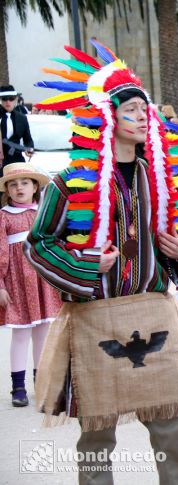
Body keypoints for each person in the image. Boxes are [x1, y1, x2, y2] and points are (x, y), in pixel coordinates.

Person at [26, 40, 178, 484]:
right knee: (97, 434)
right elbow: (38, 243)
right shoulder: (70, 183)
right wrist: (87, 265)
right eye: (130, 110)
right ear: (106, 117)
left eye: (144, 111)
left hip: (152, 308)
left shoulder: (161, 179)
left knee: (172, 427)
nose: (142, 117)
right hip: (95, 316)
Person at [0, 164, 61, 407]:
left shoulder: (43, 212)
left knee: (43, 334)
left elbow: (53, 243)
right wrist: (0, 285)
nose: (19, 188)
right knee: (21, 334)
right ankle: (18, 386)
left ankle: (42, 383)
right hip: (17, 283)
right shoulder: (3, 216)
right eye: (13, 184)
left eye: (25, 183)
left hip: (42, 280)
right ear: (7, 190)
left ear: (35, 187)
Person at [1, 85, 34, 168]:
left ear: (16, 99)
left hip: (16, 160)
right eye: (4, 99)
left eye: (11, 98)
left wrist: (29, 148)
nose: (8, 102)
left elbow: (28, 139)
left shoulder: (22, 118)